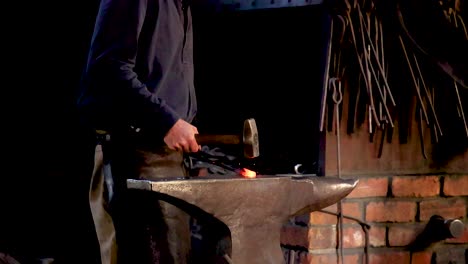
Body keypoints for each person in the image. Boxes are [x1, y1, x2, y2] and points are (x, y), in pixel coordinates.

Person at [76, 0, 202, 262]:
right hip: (131, 157)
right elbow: (107, 68)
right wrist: (166, 121)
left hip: (170, 160)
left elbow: (162, 79)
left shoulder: (181, 6)